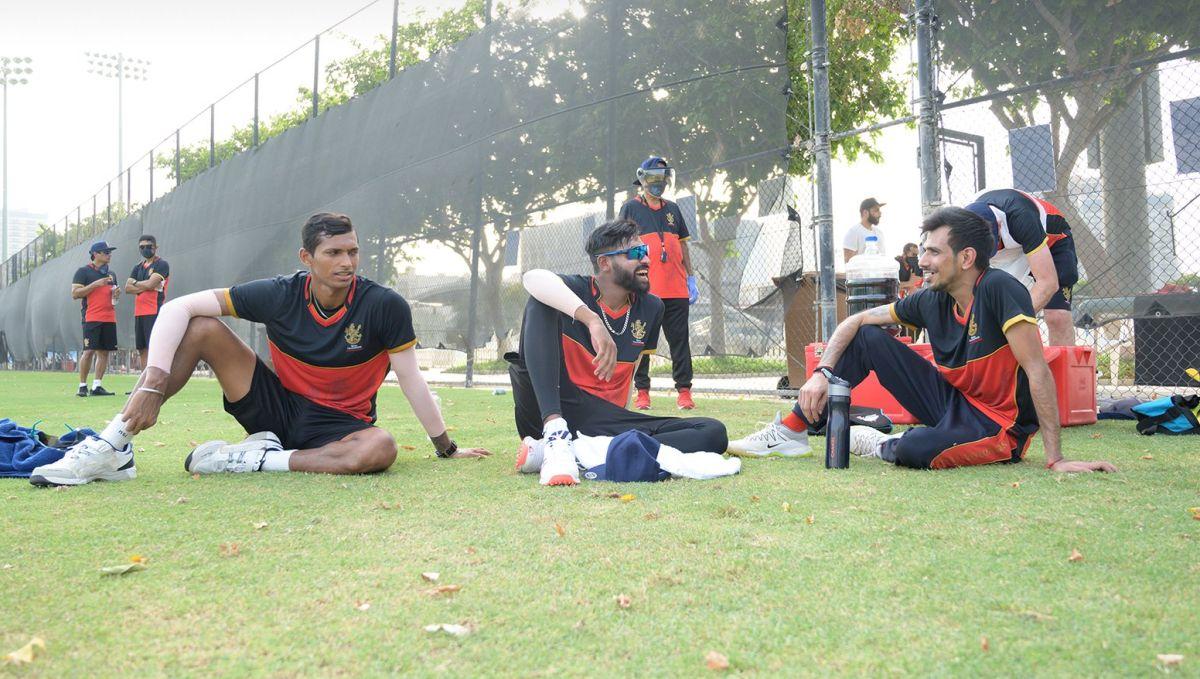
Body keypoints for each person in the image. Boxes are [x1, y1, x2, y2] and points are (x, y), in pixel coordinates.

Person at [30, 213, 490, 487]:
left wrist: (445, 447)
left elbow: (410, 377)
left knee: (381, 448)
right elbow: (181, 307)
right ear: (306, 258)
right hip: (274, 406)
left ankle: (251, 460)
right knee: (202, 326)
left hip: (338, 426)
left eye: (352, 251)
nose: (347, 262)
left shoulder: (383, 305)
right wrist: (152, 381)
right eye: (333, 253)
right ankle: (114, 446)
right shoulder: (279, 293)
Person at [728, 206, 1116, 473]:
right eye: (924, 250)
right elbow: (856, 322)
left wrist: (1055, 458)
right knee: (867, 337)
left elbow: (1037, 370)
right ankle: (791, 431)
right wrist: (822, 373)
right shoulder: (931, 297)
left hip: (998, 425)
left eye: (933, 251)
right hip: (951, 403)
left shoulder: (1000, 289)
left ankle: (878, 443)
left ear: (966, 258)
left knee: (914, 450)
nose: (922, 261)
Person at [507, 219, 727, 487]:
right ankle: (555, 437)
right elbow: (533, 277)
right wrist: (592, 321)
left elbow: (632, 369)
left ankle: (582, 450)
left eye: (644, 250)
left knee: (713, 432)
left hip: (602, 418)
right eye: (635, 253)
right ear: (604, 263)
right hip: (549, 408)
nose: (645, 258)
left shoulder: (651, 307)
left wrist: (621, 420)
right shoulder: (576, 291)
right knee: (539, 301)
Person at [618, 156, 698, 411]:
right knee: (640, 342)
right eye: (654, 177)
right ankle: (642, 393)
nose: (659, 183)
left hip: (677, 288)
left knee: (680, 342)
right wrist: (631, 276)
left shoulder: (673, 208)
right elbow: (623, 244)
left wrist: (691, 277)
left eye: (663, 177)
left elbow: (683, 244)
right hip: (645, 290)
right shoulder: (630, 208)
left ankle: (684, 392)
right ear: (643, 179)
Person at [964, 188, 1079, 346]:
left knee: (1057, 316)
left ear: (998, 224)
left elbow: (1048, 283)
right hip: (1010, 253)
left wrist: (1011, 322)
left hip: (1050, 240)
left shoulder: (1021, 215)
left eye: (994, 244)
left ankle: (1065, 370)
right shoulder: (957, 230)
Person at [70, 241, 121, 397]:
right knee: (89, 351)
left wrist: (116, 295)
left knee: (104, 352)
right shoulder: (83, 272)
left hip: (109, 317)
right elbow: (75, 294)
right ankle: (82, 386)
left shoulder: (111, 274)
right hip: (91, 317)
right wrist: (95, 284)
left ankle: (97, 386)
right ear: (95, 254)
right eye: (106, 252)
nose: (109, 255)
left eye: (109, 252)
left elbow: (114, 298)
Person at [124, 235, 170, 375]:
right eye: (142, 247)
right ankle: (144, 381)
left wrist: (137, 284)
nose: (145, 249)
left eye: (148, 246)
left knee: (153, 348)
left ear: (155, 247)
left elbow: (151, 284)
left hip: (154, 311)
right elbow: (127, 288)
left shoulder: (161, 264)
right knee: (142, 349)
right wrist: (145, 286)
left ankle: (155, 379)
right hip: (139, 313)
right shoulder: (137, 267)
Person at [843, 197, 886, 262]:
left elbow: (882, 259)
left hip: (879, 271)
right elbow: (848, 263)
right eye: (876, 210)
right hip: (863, 272)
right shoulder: (853, 232)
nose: (880, 213)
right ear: (865, 212)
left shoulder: (879, 233)